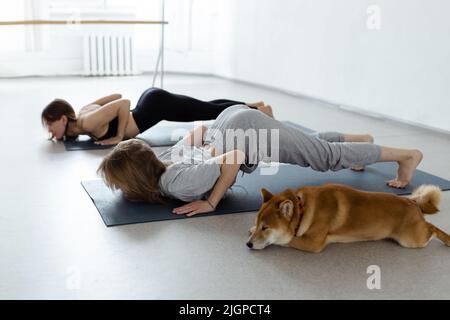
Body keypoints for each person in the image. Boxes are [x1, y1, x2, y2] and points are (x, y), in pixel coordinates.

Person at [97, 105, 423, 217]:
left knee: (325, 159)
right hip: (231, 123)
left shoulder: (179, 186)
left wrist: (211, 202)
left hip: (244, 135)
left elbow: (235, 158)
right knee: (308, 146)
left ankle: (407, 156)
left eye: (120, 184)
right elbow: (199, 131)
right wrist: (217, 145)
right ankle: (361, 141)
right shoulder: (165, 161)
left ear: (136, 179)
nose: (120, 190)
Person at [41, 87, 272, 145]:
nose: (50, 131)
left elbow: (123, 102)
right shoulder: (82, 114)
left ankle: (258, 111)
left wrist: (118, 136)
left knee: (207, 111)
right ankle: (253, 105)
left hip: (154, 107)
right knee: (205, 107)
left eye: (50, 126)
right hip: (151, 103)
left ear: (63, 119)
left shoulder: (88, 120)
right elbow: (117, 94)